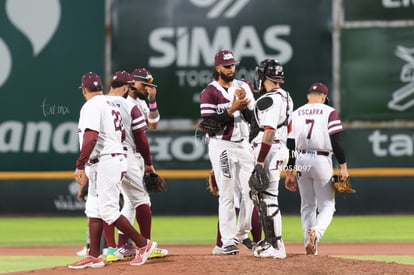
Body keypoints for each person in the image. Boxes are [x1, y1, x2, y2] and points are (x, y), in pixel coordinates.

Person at [68, 72, 157, 269]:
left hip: (105, 160)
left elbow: (91, 136)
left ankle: (144, 244)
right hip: (111, 158)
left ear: (84, 90)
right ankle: (94, 255)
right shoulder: (111, 103)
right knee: (93, 209)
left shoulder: (91, 105)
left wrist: (80, 164)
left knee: (108, 211)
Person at [199, 49, 256, 255]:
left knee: (253, 190)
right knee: (227, 194)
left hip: (243, 145)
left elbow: (254, 120)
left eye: (232, 65)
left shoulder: (244, 87)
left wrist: (245, 107)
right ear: (217, 68)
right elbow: (208, 125)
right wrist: (231, 109)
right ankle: (227, 241)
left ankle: (242, 233)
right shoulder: (210, 92)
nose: (231, 69)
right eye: (226, 66)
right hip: (221, 145)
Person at [284, 82, 350, 255]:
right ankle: (317, 232)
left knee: (307, 205)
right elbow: (336, 140)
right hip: (321, 159)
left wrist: (289, 172)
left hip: (300, 159)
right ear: (324, 97)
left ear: (308, 96)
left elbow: (290, 145)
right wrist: (343, 166)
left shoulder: (296, 113)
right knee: (327, 205)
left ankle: (309, 245)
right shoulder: (329, 111)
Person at [248, 59, 293, 259]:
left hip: (269, 150)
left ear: (264, 76)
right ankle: (270, 241)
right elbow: (289, 130)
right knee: (259, 197)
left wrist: (259, 161)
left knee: (268, 198)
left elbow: (269, 131)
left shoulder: (269, 99)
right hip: (279, 148)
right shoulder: (286, 97)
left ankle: (276, 246)